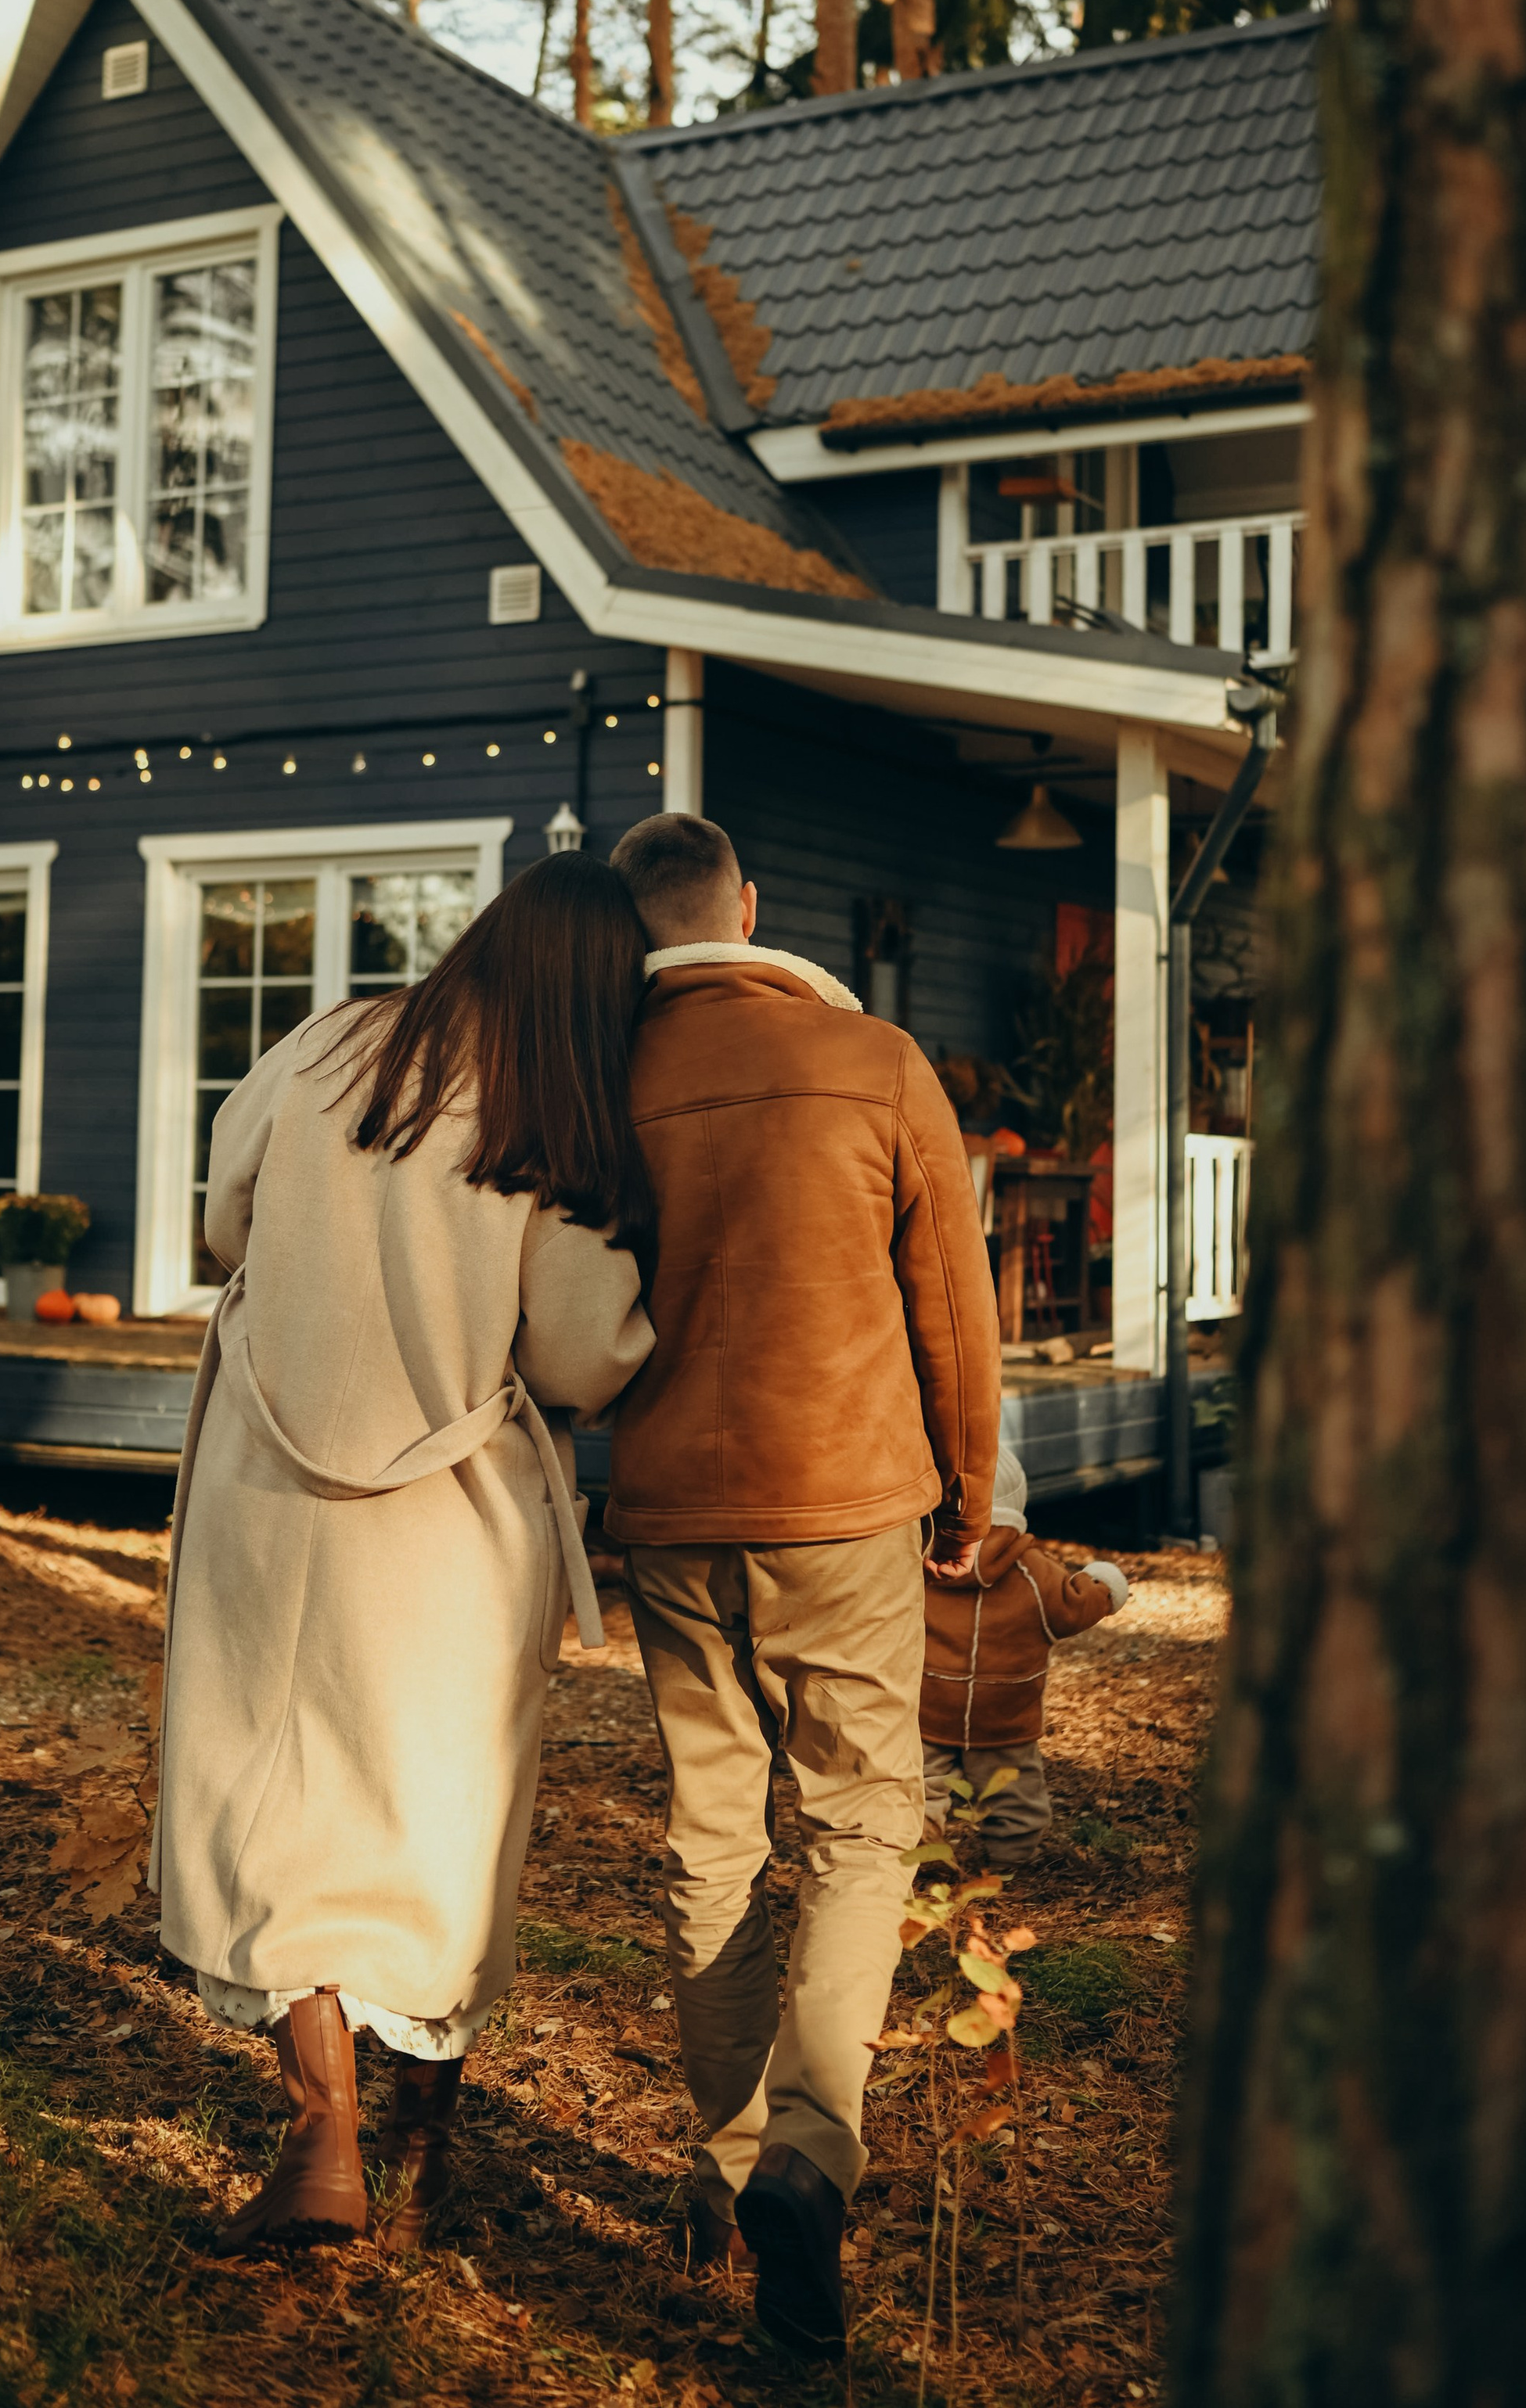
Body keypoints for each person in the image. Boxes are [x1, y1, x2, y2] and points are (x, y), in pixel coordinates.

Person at [152, 853, 655, 2255]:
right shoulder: (561, 1114)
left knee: (267, 1800)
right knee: (439, 1813)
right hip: (449, 1522)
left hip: (265, 1483)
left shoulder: (327, 1041)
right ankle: (427, 2129)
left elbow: (225, 1219)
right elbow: (581, 1356)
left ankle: (325, 2138)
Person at [604, 811, 1002, 2360]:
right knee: (855, 1822)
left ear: (638, 932)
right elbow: (952, 1312)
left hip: (672, 1512)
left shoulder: (598, 1078)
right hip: (845, 1508)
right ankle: (805, 2157)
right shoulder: (878, 1061)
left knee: (711, 1835)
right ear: (748, 909)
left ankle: (723, 2175)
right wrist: (970, 1496)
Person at [920, 1446, 1128, 1869]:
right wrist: (1105, 1584)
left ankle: (917, 1849)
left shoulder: (921, 1564)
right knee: (1014, 1794)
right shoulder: (1035, 1573)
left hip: (929, 1706)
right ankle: (1010, 1863)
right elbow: (1076, 1604)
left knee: (920, 1787)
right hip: (1005, 1715)